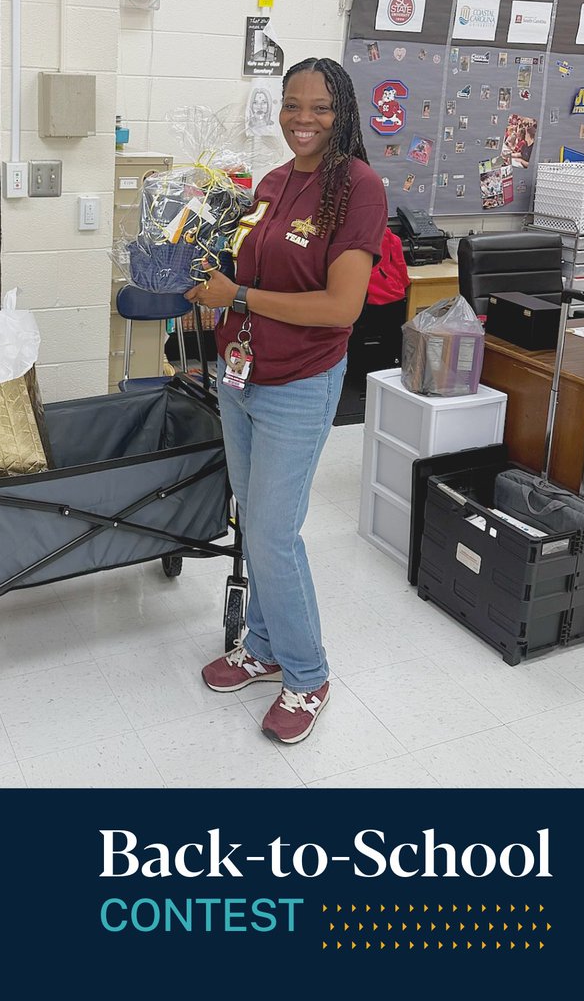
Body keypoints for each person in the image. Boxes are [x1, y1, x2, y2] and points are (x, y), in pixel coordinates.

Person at [184, 57, 387, 745]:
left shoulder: (358, 188)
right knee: (255, 521)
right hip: (241, 376)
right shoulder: (272, 181)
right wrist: (203, 273)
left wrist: (238, 295)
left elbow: (341, 306)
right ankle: (264, 646)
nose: (303, 119)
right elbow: (247, 269)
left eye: (320, 108)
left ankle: (308, 674)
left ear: (343, 112)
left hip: (300, 382)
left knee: (274, 533)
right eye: (292, 105)